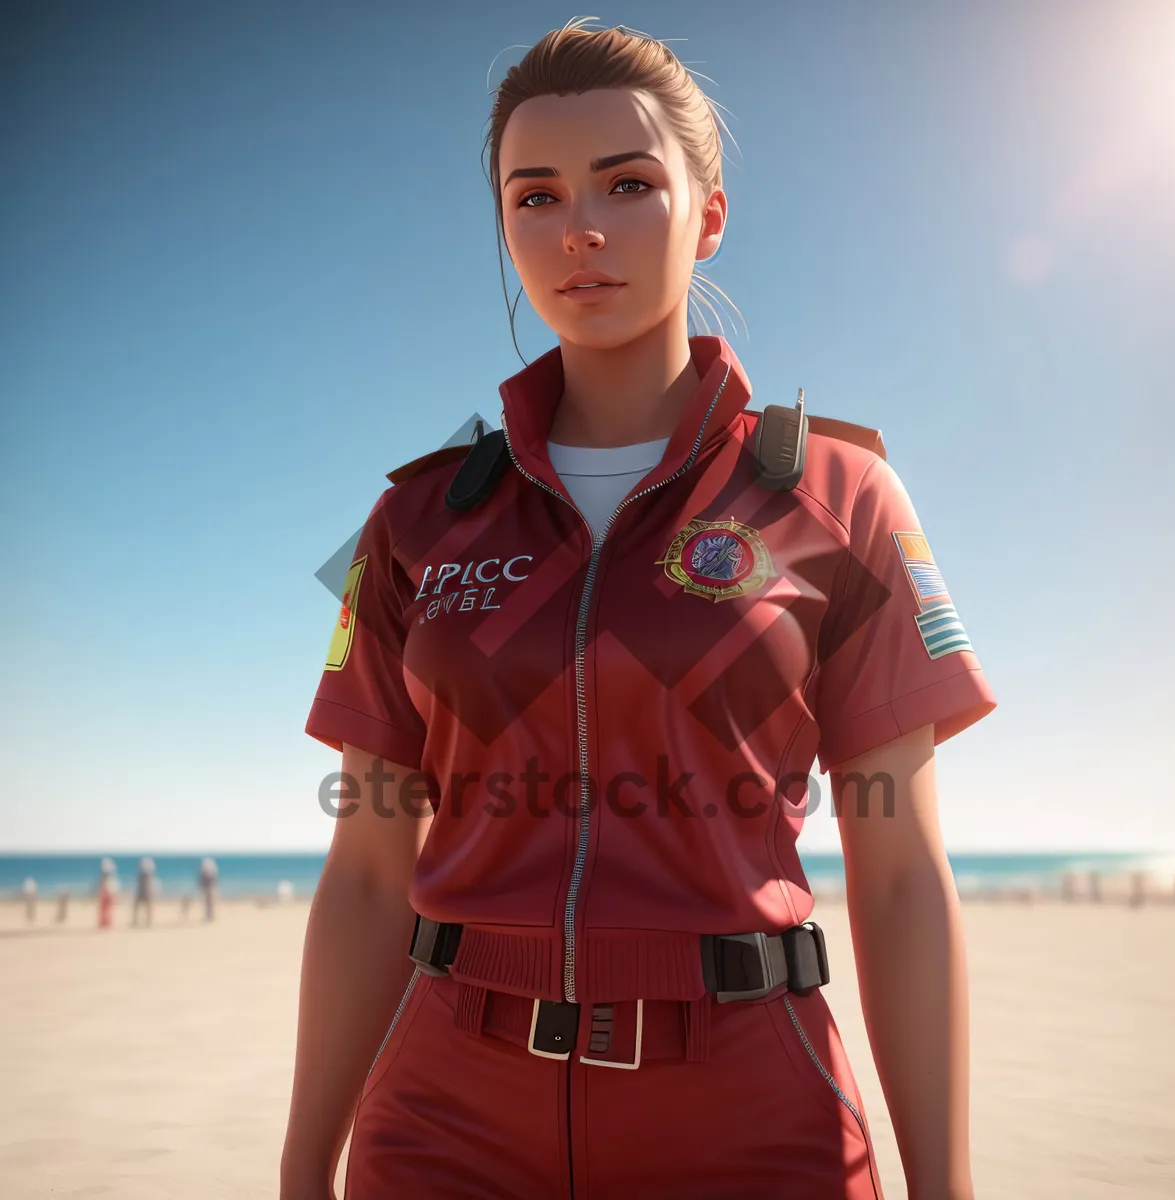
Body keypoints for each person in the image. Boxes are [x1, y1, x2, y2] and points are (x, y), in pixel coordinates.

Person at [281, 18, 995, 1200]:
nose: (581, 230)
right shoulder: (416, 518)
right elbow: (365, 873)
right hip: (444, 1119)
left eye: (628, 183)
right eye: (537, 196)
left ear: (708, 214)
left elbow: (904, 872)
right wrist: (305, 1167)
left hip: (754, 1118)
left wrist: (950, 1189)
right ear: (506, 227)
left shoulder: (834, 491)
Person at [132, 856, 156, 927]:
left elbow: (139, 881)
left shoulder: (143, 874)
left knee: (142, 906)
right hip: (146, 891)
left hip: (144, 891)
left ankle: (139, 921)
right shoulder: (149, 874)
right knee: (147, 907)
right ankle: (147, 921)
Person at [198, 856, 218, 921]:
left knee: (209, 902)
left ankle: (209, 916)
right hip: (209, 886)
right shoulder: (211, 869)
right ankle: (209, 916)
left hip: (208, 886)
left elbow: (202, 878)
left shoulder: (206, 869)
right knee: (209, 902)